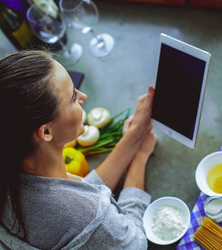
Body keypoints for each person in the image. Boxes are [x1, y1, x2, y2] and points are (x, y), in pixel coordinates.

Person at [0, 50, 157, 250]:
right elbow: (135, 242)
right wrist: (141, 157)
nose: (84, 96)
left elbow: (81, 193)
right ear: (46, 132)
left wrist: (134, 135)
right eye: (73, 96)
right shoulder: (89, 217)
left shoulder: (14, 169)